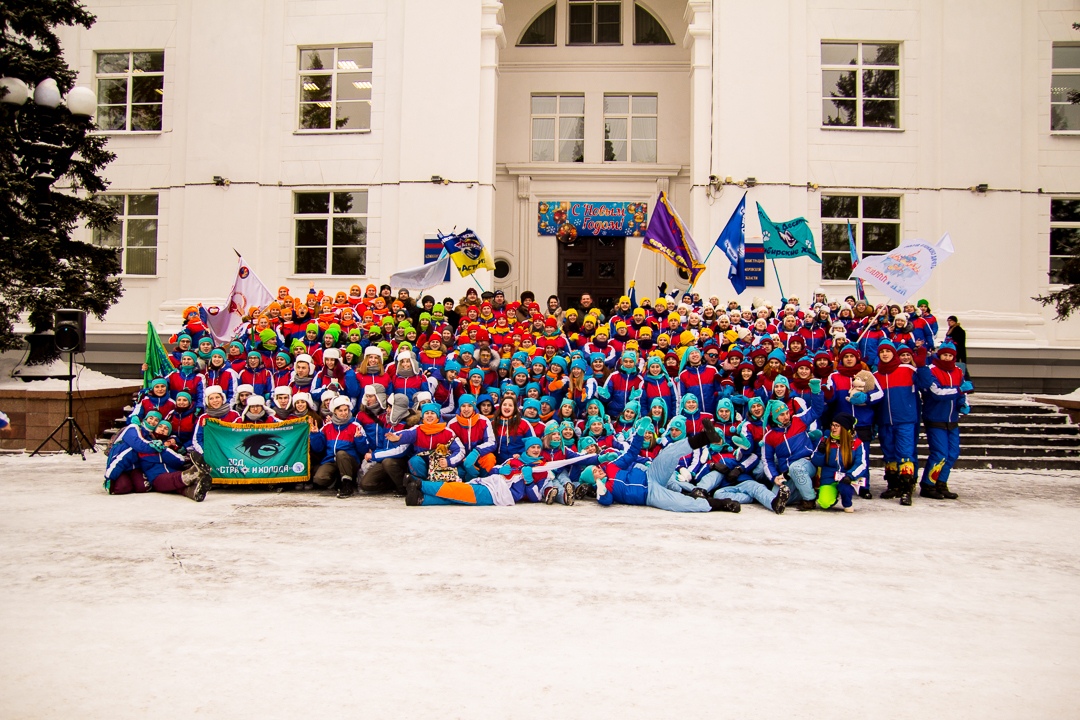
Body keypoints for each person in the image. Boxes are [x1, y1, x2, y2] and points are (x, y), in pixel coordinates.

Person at [578, 418, 741, 513]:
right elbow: (605, 501)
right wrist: (600, 483)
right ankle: (723, 504)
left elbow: (631, 454)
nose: (598, 469)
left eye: (596, 467)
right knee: (682, 504)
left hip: (651, 475)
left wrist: (639, 433)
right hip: (650, 494)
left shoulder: (612, 467)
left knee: (668, 453)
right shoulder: (605, 490)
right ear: (593, 480)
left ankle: (706, 437)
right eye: (594, 472)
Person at [915, 341, 970, 500]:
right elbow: (937, 392)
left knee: (952, 453)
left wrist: (963, 404)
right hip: (935, 418)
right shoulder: (932, 371)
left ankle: (941, 482)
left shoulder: (958, 371)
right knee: (940, 454)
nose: (947, 358)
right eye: (944, 355)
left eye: (950, 355)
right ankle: (928, 484)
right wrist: (959, 391)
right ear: (939, 355)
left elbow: (963, 392)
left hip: (952, 419)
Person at [310, 395, 370, 498]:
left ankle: (347, 485)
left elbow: (363, 450)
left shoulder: (355, 426)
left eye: (346, 410)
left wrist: (359, 439)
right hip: (331, 460)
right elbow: (318, 448)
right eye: (340, 411)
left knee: (341, 453)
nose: (344, 413)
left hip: (349, 461)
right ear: (335, 412)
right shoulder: (327, 427)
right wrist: (315, 435)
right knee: (319, 479)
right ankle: (337, 480)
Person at [811, 412, 867, 512]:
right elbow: (816, 462)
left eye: (837, 426)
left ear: (845, 429)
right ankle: (833, 496)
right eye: (832, 425)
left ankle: (847, 502)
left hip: (847, 478)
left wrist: (850, 476)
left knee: (844, 488)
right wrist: (820, 452)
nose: (833, 428)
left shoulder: (856, 443)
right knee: (824, 503)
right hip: (829, 477)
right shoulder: (825, 440)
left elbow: (861, 464)